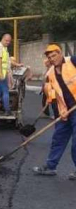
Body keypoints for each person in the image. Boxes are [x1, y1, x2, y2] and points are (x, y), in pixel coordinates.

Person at [33, 44, 76, 179]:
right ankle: (51, 167)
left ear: (60, 53)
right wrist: (60, 112)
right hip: (65, 111)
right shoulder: (51, 73)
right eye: (50, 57)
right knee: (58, 138)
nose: (52, 58)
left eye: (54, 55)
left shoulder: (72, 61)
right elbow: (57, 95)